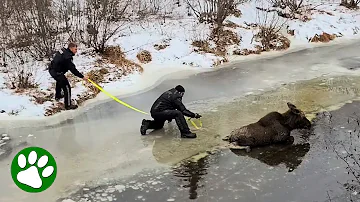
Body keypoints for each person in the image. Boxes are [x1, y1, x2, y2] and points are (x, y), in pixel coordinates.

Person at [48, 42, 88, 110]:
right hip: (57, 72)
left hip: (52, 69)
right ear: (71, 48)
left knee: (60, 81)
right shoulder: (68, 57)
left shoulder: (63, 50)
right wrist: (82, 77)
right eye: (75, 49)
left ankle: (58, 96)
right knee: (67, 87)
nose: (76, 51)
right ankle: (68, 105)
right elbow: (73, 69)